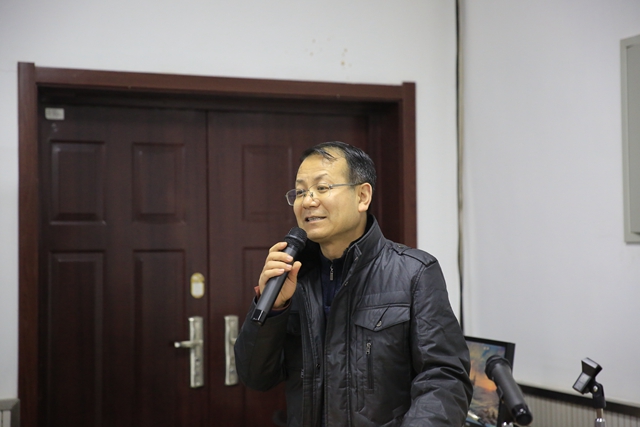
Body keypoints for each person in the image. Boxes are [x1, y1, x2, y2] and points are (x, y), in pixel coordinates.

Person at [234, 141, 472, 427]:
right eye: (300, 191)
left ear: (362, 196)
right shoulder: (293, 277)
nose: (308, 201)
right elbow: (255, 376)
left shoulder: (415, 273)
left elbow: (445, 379)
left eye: (322, 188)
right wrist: (274, 308)